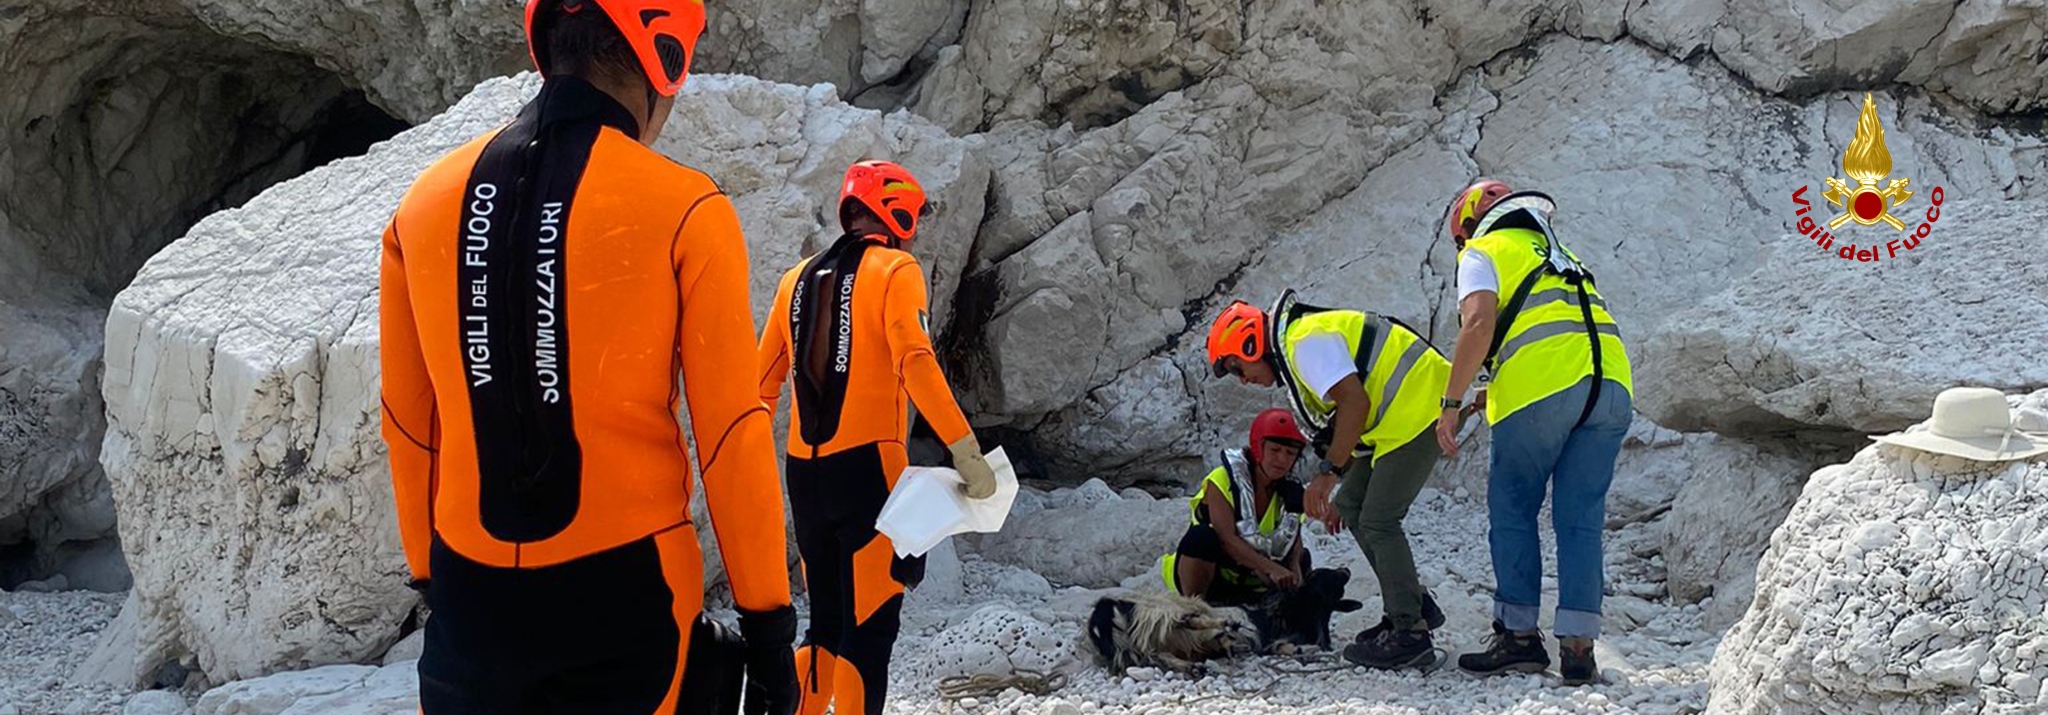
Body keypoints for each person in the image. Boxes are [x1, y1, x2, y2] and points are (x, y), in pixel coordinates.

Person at [377, 1, 799, 712]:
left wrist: (432, 577)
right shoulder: (687, 208)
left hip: (469, 602)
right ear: (664, 56)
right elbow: (731, 435)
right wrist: (769, 632)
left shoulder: (421, 204)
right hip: (626, 600)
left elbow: (408, 422)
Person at [756, 160, 997, 715]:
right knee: (868, 630)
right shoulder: (896, 269)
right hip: (868, 471)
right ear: (899, 214)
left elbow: (760, 385)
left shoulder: (794, 280)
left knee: (824, 626)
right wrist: (966, 452)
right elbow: (915, 361)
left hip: (803, 474)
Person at [1434, 180, 1633, 685]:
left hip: (1542, 390)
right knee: (1581, 519)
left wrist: (1451, 403)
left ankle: (1519, 638)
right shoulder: (1563, 254)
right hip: (1610, 387)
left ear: (1468, 226)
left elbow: (1478, 324)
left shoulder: (1482, 250)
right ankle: (1579, 649)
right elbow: (1557, 330)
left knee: (1514, 508)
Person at [1204, 291, 1452, 670]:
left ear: (1251, 344)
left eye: (1238, 367)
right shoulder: (1297, 344)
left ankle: (1409, 634)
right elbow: (1351, 412)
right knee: (1351, 506)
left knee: (1379, 520)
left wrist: (1329, 474)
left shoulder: (1303, 342)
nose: (1244, 380)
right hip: (1399, 418)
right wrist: (1341, 485)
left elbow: (1355, 403)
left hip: (1423, 410)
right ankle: (1412, 605)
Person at [1159, 409, 1311, 605]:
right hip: (1215, 576)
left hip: (1253, 581)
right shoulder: (1221, 480)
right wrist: (1272, 568)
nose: (1282, 459)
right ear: (1258, 448)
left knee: (1305, 561)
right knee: (1201, 538)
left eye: (1290, 453)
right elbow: (1227, 540)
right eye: (1275, 450)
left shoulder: (1292, 493)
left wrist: (1294, 568)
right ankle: (1195, 608)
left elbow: (1294, 540)